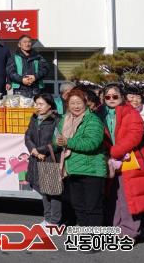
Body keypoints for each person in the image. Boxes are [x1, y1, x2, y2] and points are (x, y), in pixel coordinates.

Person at [99, 84, 144, 240]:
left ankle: (129, 232)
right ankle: (115, 228)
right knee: (113, 196)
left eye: (115, 96)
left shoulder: (131, 112)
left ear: (122, 97)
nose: (111, 99)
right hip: (108, 160)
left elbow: (135, 135)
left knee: (128, 197)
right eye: (107, 96)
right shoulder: (99, 112)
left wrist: (114, 151)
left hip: (129, 159)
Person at [53, 88, 107, 228]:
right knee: (78, 205)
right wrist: (57, 141)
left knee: (92, 207)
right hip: (72, 169)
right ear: (67, 104)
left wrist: (68, 142)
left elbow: (92, 143)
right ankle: (85, 232)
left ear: (85, 103)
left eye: (79, 103)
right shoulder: (65, 119)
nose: (76, 106)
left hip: (91, 170)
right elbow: (56, 137)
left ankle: (94, 237)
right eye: (72, 103)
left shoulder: (93, 120)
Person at [24, 93, 61, 226]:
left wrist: (41, 150)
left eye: (41, 104)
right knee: (44, 191)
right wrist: (33, 149)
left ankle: (55, 221)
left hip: (50, 159)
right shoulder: (34, 117)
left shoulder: (56, 120)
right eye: (36, 104)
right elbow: (28, 135)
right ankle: (47, 218)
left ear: (49, 105)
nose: (37, 107)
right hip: (36, 158)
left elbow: (57, 142)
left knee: (53, 192)